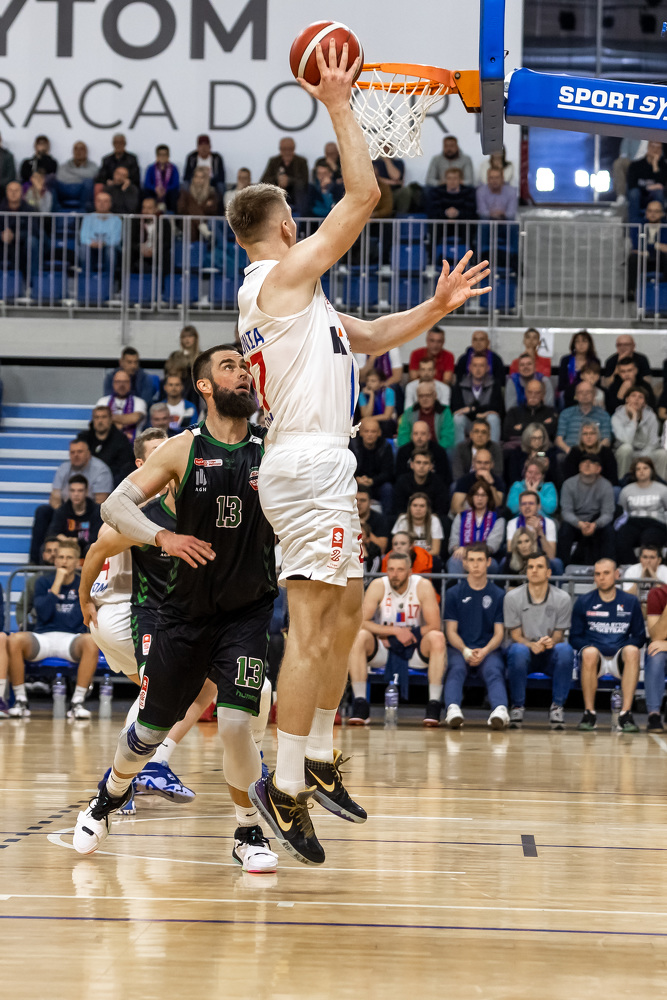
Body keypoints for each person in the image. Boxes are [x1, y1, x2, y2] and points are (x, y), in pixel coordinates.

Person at [228, 41, 488, 866]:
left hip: (318, 465)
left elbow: (371, 335)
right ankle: (284, 783)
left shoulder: (303, 304)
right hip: (305, 462)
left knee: (343, 617)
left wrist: (436, 306)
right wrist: (339, 102)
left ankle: (316, 756)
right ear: (284, 228)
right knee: (310, 633)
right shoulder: (273, 285)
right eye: (298, 222)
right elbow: (364, 194)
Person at [72, 347, 283, 874]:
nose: (243, 372)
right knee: (148, 730)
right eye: (230, 366)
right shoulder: (182, 448)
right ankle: (107, 797)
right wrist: (161, 536)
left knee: (236, 722)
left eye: (245, 366)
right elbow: (113, 506)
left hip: (246, 613)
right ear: (205, 386)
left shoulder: (274, 446)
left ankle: (247, 832)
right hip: (183, 616)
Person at [78, 428, 212, 810]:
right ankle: (145, 767)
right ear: (142, 465)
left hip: (122, 614)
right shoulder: (137, 510)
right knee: (164, 690)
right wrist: (84, 598)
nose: (170, 463)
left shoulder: (175, 504)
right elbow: (99, 547)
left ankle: (129, 777)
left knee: (194, 689)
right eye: (159, 456)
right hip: (123, 610)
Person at [347, 552, 446, 727]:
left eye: (400, 570)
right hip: (383, 646)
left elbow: (435, 625)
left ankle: (434, 704)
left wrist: (407, 633)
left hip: (413, 646)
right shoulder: (378, 585)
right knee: (359, 637)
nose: (394, 574)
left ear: (410, 571)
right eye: (391, 569)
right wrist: (394, 632)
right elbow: (361, 622)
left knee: (437, 638)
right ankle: (360, 703)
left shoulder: (422, 586)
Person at [7, 539, 98, 719]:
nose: (64, 561)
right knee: (15, 640)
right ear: (55, 561)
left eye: (69, 558)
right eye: (61, 557)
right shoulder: (42, 581)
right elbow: (44, 614)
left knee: (91, 642)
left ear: (77, 562)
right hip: (43, 637)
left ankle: (77, 702)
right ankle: (21, 700)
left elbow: (75, 620)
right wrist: (57, 583)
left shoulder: (83, 584)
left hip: (71, 639)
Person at [570, 559, 645, 732]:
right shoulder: (583, 601)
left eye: (606, 573)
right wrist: (591, 647)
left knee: (633, 651)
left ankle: (625, 714)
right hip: (595, 658)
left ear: (616, 574)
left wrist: (621, 646)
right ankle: (589, 714)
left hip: (619, 657)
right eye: (597, 574)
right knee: (588, 653)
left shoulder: (630, 601)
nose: (601, 578)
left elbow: (639, 637)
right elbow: (574, 637)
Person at [504, 552, 574, 729]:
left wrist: (551, 642)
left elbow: (559, 634)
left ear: (549, 572)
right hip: (525, 651)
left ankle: (557, 706)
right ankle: (517, 706)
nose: (534, 570)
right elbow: (515, 635)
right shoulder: (512, 597)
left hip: (549, 652)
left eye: (539, 567)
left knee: (565, 650)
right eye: (530, 567)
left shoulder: (563, 598)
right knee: (517, 650)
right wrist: (531, 645)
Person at [444, 542, 508, 729]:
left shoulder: (499, 594)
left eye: (480, 560)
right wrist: (465, 650)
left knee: (494, 670)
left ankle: (500, 711)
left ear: (488, 562)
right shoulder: (453, 593)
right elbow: (451, 631)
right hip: (459, 648)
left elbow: (499, 633)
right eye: (471, 560)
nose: (475, 564)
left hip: (488, 649)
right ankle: (452, 710)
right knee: (456, 669)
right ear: (464, 563)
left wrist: (485, 651)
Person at [558, 456, 616, 565]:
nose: (587, 464)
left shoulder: (606, 485)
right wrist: (579, 524)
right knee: (565, 530)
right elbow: (566, 512)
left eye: (592, 462)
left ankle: (608, 566)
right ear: (579, 467)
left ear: (599, 469)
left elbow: (608, 513)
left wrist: (595, 524)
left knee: (609, 531)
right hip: (575, 523)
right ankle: (562, 568)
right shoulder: (568, 484)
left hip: (596, 522)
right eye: (584, 462)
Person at [447, 480, 505, 574]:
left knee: (491, 564)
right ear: (472, 497)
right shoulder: (461, 516)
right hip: (463, 557)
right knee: (454, 561)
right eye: (477, 495)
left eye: (483, 495)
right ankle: (458, 584)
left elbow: (492, 546)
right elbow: (453, 542)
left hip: (486, 558)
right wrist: (457, 549)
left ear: (488, 498)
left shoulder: (498, 518)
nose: (480, 498)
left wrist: (468, 550)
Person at [616, 458, 667, 564]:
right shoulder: (626, 490)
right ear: (634, 472)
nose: (641, 471)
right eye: (638, 469)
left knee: (649, 539)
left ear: (652, 470)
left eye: (645, 468)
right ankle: (631, 568)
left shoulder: (663, 489)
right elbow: (623, 512)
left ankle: (651, 569)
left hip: (656, 524)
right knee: (621, 538)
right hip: (634, 523)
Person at [451, 352, 504, 444]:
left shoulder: (495, 384)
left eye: (481, 366)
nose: (478, 369)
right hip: (469, 423)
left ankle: (494, 450)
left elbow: (496, 408)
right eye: (475, 366)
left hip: (486, 422)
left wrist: (471, 409)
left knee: (493, 418)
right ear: (469, 368)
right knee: (457, 418)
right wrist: (483, 410)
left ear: (488, 368)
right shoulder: (460, 384)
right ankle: (460, 450)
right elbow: (456, 408)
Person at [612, 389, 665, 480]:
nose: (636, 399)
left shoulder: (651, 416)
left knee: (662, 454)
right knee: (626, 448)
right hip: (625, 453)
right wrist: (634, 418)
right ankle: (623, 481)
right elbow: (626, 440)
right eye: (633, 396)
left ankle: (660, 484)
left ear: (644, 403)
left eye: (640, 397)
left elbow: (653, 442)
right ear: (627, 399)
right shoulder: (617, 416)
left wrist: (643, 457)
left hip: (646, 452)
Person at [76, 407, 136, 486]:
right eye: (96, 417)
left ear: (111, 419)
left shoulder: (121, 440)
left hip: (112, 483)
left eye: (104, 417)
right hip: (86, 482)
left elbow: (125, 466)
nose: (100, 421)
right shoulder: (83, 438)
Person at [506, 490, 561, 574]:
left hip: (541, 560)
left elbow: (551, 556)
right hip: (520, 559)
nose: (527, 507)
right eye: (524, 504)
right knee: (505, 561)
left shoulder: (549, 523)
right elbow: (510, 551)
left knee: (557, 563)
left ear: (538, 506)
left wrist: (540, 533)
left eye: (531, 503)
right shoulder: (512, 523)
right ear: (520, 507)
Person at [349, 416, 395, 513]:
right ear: (361, 433)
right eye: (366, 431)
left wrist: (372, 481)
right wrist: (357, 479)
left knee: (388, 488)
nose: (370, 434)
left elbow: (388, 472)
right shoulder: (353, 445)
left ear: (379, 433)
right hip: (356, 483)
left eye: (373, 431)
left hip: (376, 484)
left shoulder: (385, 446)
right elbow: (347, 468)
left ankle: (387, 518)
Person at [50, 439, 113, 508]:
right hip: (66, 510)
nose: (76, 455)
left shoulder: (101, 471)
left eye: (80, 452)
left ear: (88, 453)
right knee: (44, 510)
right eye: (72, 452)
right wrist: (61, 513)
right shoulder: (63, 468)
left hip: (91, 511)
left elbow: (100, 503)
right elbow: (55, 498)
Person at [48, 474, 102, 555]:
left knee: (91, 548)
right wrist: (64, 539)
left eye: (80, 491)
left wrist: (77, 541)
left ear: (86, 492)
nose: (76, 494)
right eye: (72, 490)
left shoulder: (96, 510)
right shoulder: (62, 510)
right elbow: (52, 533)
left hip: (87, 550)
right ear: (69, 492)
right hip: (66, 548)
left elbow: (97, 537)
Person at [555, 381, 612, 455]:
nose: (584, 394)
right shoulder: (565, 414)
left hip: (596, 454)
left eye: (588, 392)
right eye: (581, 392)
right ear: (576, 395)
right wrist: (569, 451)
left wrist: (594, 452)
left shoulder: (604, 415)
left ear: (594, 394)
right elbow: (559, 439)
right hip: (570, 452)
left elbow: (606, 440)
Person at [15, 536, 59, 629]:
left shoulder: (73, 578)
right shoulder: (33, 580)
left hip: (69, 628)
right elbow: (22, 607)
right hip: (39, 627)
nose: (53, 554)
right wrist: (23, 625)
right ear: (43, 554)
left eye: (56, 551)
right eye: (49, 551)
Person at [393, 449, 448, 522]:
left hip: (431, 520)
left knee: (445, 521)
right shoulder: (402, 481)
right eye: (418, 462)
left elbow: (441, 509)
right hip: (407, 519)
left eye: (426, 463)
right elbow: (399, 508)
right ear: (412, 465)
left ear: (431, 466)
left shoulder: (438, 482)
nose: (421, 466)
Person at [397, 379, 454, 449]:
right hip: (413, 450)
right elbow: (403, 436)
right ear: (417, 398)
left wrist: (436, 451)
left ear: (435, 396)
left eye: (428, 395)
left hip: (438, 450)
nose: (424, 399)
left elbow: (447, 437)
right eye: (421, 396)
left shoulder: (444, 412)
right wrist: (410, 451)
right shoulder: (410, 412)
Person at [0, 180, 39, 279]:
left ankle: (32, 281)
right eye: (10, 190)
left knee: (32, 242)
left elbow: (34, 230)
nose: (13, 193)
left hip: (23, 243)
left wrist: (15, 236)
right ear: (6, 192)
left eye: (16, 190)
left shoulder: (29, 209)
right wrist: (2, 235)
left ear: (21, 192)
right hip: (3, 243)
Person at [96, 369, 147, 443]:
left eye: (125, 382)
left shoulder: (139, 402)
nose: (121, 385)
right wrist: (124, 421)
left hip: (132, 446)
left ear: (130, 384)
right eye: (118, 382)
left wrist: (107, 417)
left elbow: (134, 419)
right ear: (113, 384)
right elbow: (99, 422)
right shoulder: (102, 401)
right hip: (107, 445)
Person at [561, 420, 618, 485]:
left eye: (592, 433)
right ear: (581, 437)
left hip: (602, 486)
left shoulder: (606, 452)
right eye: (585, 434)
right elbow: (569, 477)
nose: (588, 436)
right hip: (579, 487)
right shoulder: (574, 452)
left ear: (597, 436)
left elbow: (612, 477)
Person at [451, 447, 505, 514]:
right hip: (467, 516)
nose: (482, 466)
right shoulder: (465, 480)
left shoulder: (497, 481)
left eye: (486, 463)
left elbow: (497, 505)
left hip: (489, 517)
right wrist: (473, 517)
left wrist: (490, 484)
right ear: (473, 463)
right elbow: (455, 508)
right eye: (479, 462)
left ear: (492, 464)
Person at [79, 190, 122, 272]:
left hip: (108, 248)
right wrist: (91, 243)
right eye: (99, 201)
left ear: (110, 204)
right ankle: (86, 276)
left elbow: (116, 240)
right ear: (95, 203)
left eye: (105, 201)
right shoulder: (88, 218)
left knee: (111, 250)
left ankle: (108, 278)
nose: (102, 204)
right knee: (84, 248)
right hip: (91, 249)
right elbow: (83, 237)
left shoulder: (117, 220)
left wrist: (104, 243)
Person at [260, 136, 309, 207]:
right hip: (277, 193)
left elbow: (304, 182)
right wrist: (277, 179)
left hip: (295, 194)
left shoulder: (301, 162)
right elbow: (264, 180)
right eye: (284, 149)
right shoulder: (274, 161)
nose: (287, 152)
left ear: (294, 148)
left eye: (290, 149)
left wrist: (289, 180)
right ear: (280, 149)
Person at [645, 579, 667, 730]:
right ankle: (654, 714)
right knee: (655, 654)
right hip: (662, 647)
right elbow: (656, 636)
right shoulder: (657, 594)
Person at [627, 140, 667, 222]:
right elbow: (631, 185)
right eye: (653, 147)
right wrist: (647, 188)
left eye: (658, 148)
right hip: (639, 195)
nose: (655, 150)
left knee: (659, 192)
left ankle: (661, 224)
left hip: (655, 195)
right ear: (648, 148)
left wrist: (655, 165)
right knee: (634, 193)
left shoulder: (664, 166)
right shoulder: (636, 165)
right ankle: (634, 224)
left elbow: (661, 184)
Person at [177, 166, 220, 239]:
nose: (198, 180)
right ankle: (203, 229)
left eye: (201, 177)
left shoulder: (212, 192)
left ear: (206, 179)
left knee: (190, 206)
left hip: (207, 222)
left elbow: (213, 209)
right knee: (189, 219)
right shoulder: (185, 192)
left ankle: (202, 230)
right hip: (187, 223)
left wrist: (191, 209)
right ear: (193, 178)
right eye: (196, 177)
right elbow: (181, 208)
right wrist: (204, 206)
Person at [556, 330, 599, 398]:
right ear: (573, 344)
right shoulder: (566, 360)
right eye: (577, 341)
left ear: (589, 344)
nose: (581, 344)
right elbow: (561, 384)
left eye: (584, 341)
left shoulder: (594, 361)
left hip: (588, 391)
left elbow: (597, 382)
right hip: (569, 392)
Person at [358, 369, 396, 435]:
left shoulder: (389, 392)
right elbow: (365, 415)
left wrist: (369, 419)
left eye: (373, 381)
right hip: (369, 422)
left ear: (381, 383)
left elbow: (387, 416)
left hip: (384, 421)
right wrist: (372, 396)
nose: (369, 383)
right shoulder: (362, 394)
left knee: (386, 424)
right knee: (364, 425)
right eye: (367, 380)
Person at [143, 144, 180, 213]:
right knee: (146, 192)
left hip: (168, 193)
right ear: (157, 156)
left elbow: (175, 184)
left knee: (174, 194)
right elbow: (147, 183)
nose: (162, 157)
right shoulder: (151, 168)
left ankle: (172, 215)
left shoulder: (173, 168)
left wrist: (165, 189)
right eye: (160, 155)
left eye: (164, 155)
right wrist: (155, 188)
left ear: (168, 156)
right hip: (154, 192)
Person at [356, 487, 388, 554]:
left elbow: (382, 548)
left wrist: (364, 529)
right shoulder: (345, 517)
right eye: (355, 500)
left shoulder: (380, 519)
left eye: (363, 500)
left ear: (370, 503)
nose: (358, 503)